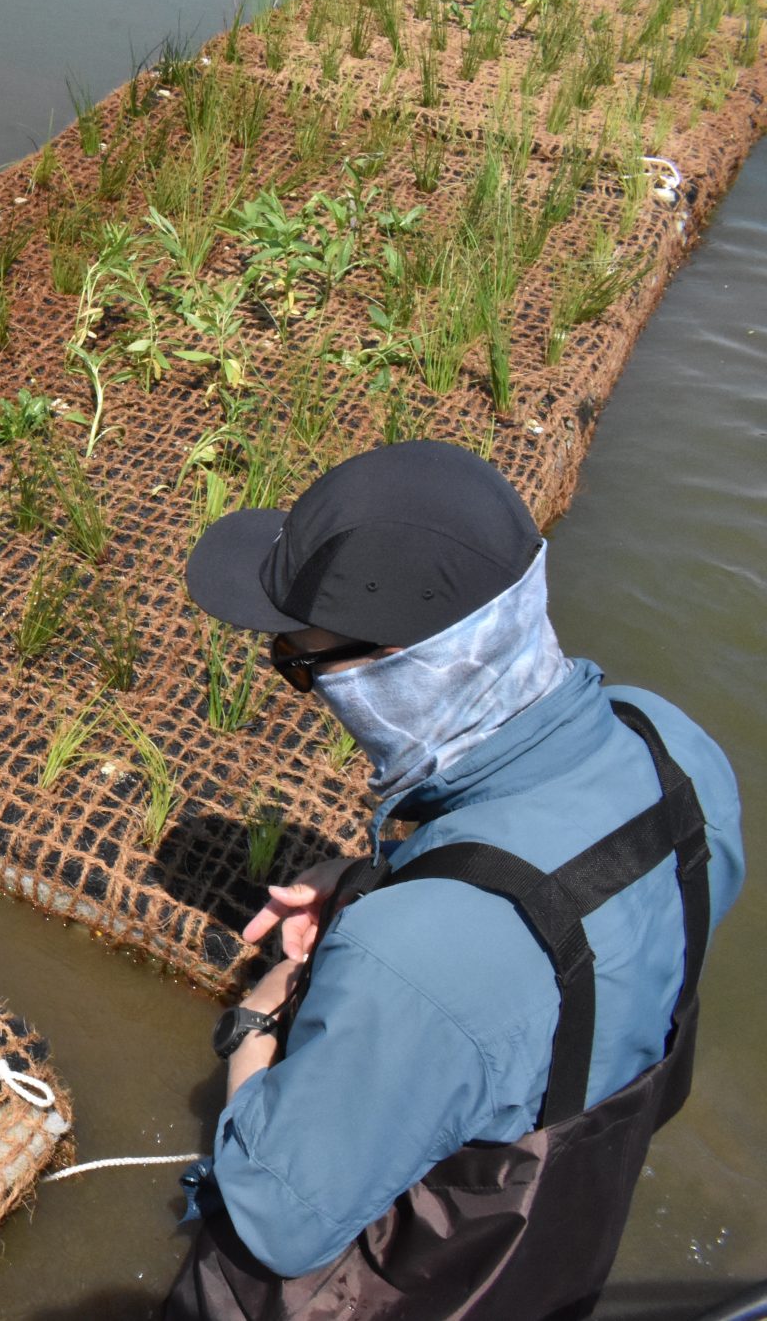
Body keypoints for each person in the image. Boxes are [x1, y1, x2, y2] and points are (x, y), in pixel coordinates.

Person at [168, 440, 744, 1319]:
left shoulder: (412, 964)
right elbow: (586, 930)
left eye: (298, 664)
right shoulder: (678, 750)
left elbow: (275, 1216)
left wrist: (252, 1025)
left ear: (397, 670)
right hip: (567, 1242)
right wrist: (390, 879)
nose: (298, 681)